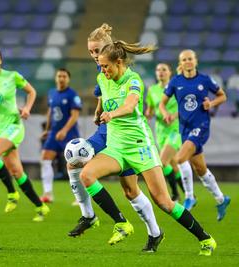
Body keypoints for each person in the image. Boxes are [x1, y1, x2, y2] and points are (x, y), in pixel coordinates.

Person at [79, 41, 217, 256]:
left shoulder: (133, 80)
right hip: (116, 147)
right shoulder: (102, 78)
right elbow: (104, 99)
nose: (103, 70)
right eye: (101, 66)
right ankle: (121, 223)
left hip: (140, 146)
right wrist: (99, 112)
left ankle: (205, 238)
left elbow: (130, 105)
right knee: (87, 174)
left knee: (164, 202)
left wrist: (111, 114)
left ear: (119, 62)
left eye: (107, 66)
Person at [67, 23, 163, 253]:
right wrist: (98, 111)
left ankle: (155, 232)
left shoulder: (120, 72)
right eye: (90, 51)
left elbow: (126, 101)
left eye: (97, 51)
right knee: (74, 162)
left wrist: (109, 112)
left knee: (131, 190)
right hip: (107, 131)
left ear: (108, 50)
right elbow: (103, 94)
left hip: (124, 135)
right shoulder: (103, 71)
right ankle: (90, 216)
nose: (93, 56)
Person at [0, 47, 49, 222]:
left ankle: (11, 193)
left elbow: (32, 91)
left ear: (0, 60)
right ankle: (40, 206)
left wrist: (27, 109)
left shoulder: (11, 76)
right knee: (16, 171)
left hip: (14, 124)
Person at [159, 49, 231, 221]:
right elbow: (162, 103)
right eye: (184, 59)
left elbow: (222, 96)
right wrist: (165, 114)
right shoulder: (176, 81)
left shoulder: (205, 80)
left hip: (201, 125)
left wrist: (211, 103)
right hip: (184, 128)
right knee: (200, 169)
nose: (188, 62)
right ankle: (221, 199)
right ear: (181, 63)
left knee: (179, 159)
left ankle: (190, 196)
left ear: (195, 61)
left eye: (190, 59)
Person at [145, 63, 185, 201]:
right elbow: (150, 109)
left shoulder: (176, 88)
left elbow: (185, 106)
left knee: (163, 161)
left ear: (170, 73)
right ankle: (189, 194)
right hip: (160, 130)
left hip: (175, 129)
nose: (160, 72)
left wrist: (174, 115)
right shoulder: (152, 90)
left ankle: (174, 194)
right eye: (158, 69)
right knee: (173, 165)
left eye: (164, 70)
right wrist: (147, 114)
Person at [40, 68, 81, 203]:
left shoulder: (72, 95)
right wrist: (47, 129)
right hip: (54, 134)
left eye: (64, 76)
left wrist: (64, 130)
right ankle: (48, 193)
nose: (61, 78)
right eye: (59, 76)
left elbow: (75, 116)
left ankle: (79, 196)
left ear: (68, 79)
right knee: (45, 158)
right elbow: (50, 112)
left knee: (74, 165)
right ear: (55, 78)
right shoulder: (52, 93)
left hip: (69, 134)